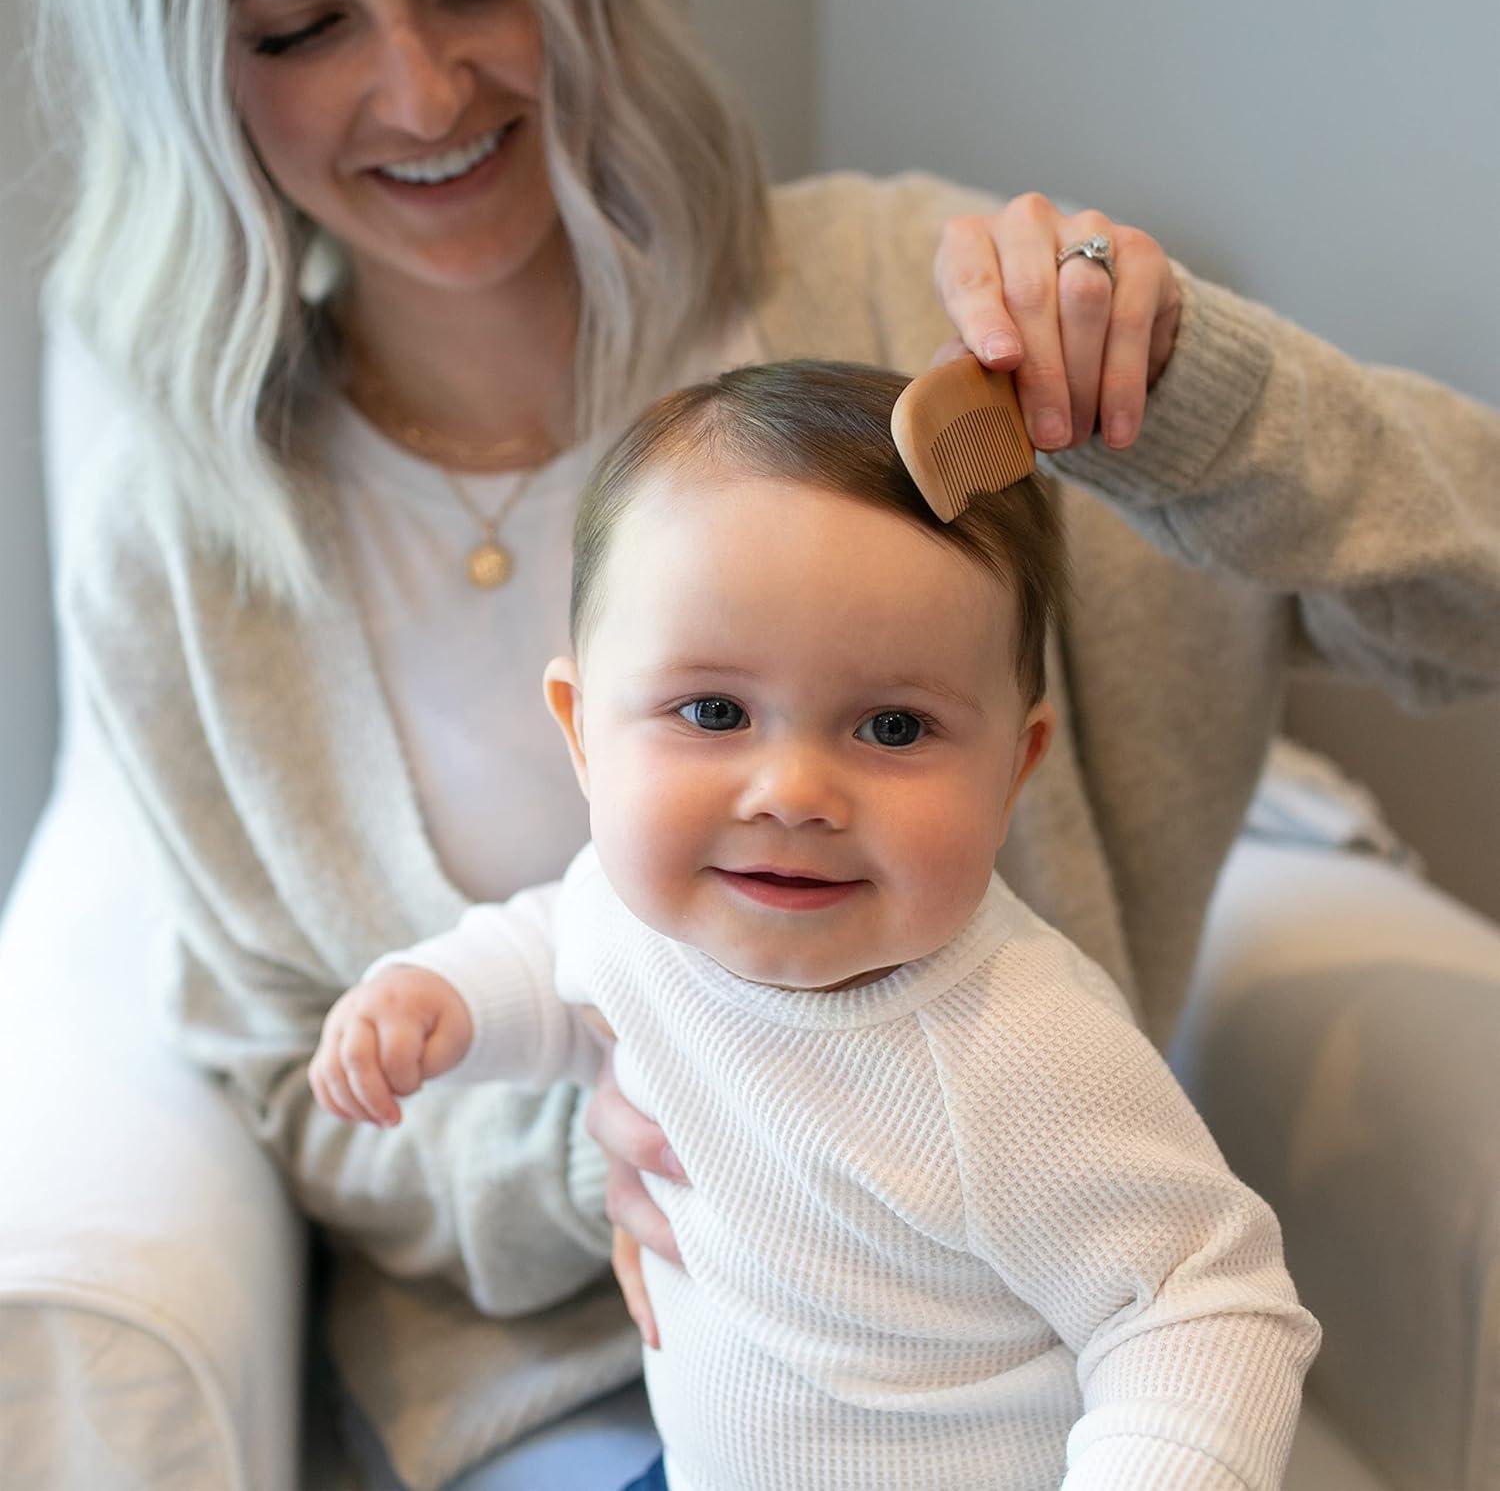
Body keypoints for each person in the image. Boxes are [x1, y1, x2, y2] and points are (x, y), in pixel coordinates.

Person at [37, 0, 1500, 1484]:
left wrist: (1201, 407)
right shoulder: (170, 554)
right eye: (300, 27)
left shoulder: (934, 349)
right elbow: (376, 1035)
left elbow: (1478, 605)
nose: (419, 93)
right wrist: (587, 1129)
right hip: (563, 1390)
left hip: (1010, 1393)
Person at [311, 359, 1323, 1491]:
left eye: (893, 726)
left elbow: (1203, 1306)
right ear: (584, 730)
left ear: (1014, 766)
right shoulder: (647, 912)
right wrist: (433, 1000)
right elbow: (553, 952)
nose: (792, 791)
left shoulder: (1019, 1049)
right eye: (713, 712)